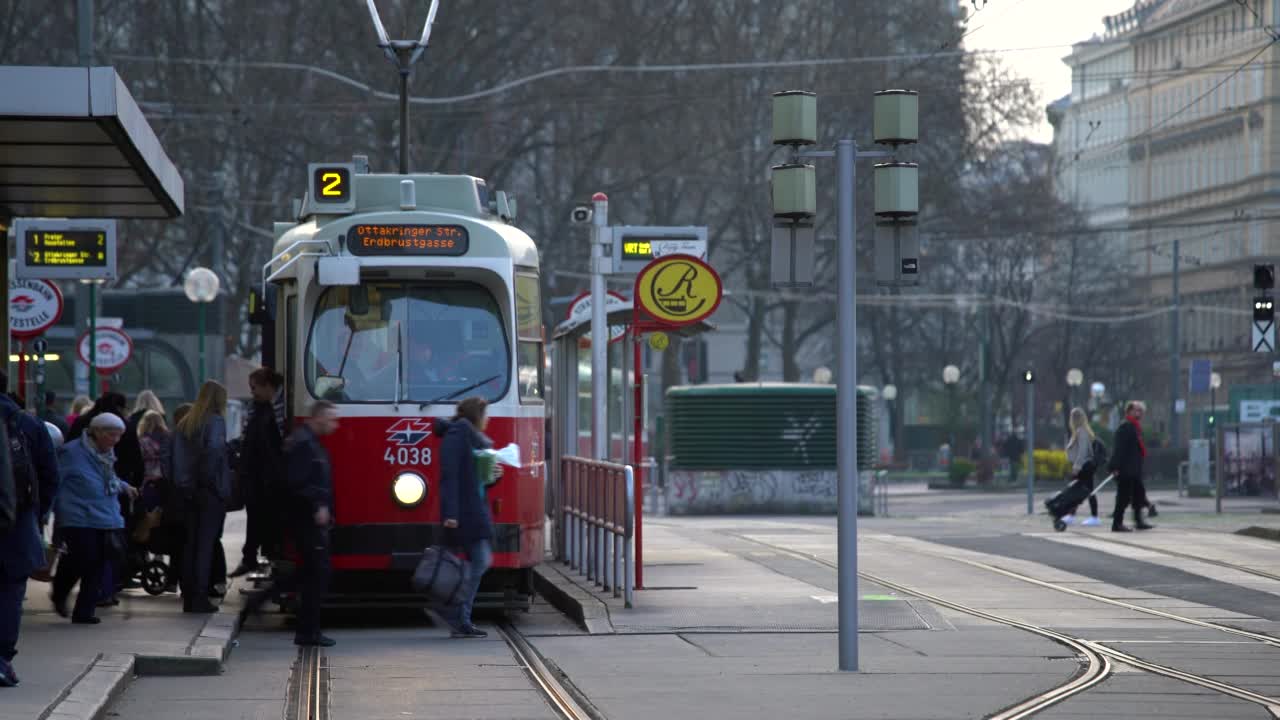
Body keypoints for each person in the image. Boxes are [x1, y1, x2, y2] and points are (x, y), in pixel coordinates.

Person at [0, 380, 60, 687]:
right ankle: (2, 660)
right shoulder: (29, 425)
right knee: (10, 592)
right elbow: (51, 476)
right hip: (17, 524)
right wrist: (35, 517)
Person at [51, 413, 136, 624]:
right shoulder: (71, 453)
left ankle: (84, 611)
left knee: (97, 562)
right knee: (83, 560)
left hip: (104, 515)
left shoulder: (106, 453)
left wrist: (124, 487)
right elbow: (54, 481)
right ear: (96, 432)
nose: (115, 440)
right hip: (77, 516)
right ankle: (60, 593)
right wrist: (47, 513)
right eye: (111, 435)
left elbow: (108, 477)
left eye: (118, 436)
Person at [435, 396, 496, 639]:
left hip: (473, 509)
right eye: (486, 415)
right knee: (480, 561)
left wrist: (493, 474)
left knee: (477, 562)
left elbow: (475, 477)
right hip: (465, 512)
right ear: (476, 416)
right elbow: (450, 477)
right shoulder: (457, 436)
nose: (488, 419)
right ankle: (455, 613)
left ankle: (459, 616)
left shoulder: (470, 437)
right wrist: (450, 514)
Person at [284, 400, 339, 647]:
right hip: (306, 521)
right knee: (315, 575)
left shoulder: (309, 442)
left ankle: (309, 630)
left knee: (311, 574)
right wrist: (318, 505)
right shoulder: (304, 444)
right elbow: (296, 483)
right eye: (331, 418)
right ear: (318, 417)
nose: (335, 425)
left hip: (309, 520)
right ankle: (308, 632)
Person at [172, 382, 231, 613]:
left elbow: (173, 459)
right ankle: (199, 596)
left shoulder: (185, 423)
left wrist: (184, 485)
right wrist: (211, 483)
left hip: (187, 492)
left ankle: (189, 594)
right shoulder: (215, 421)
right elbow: (214, 452)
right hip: (209, 492)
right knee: (205, 545)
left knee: (191, 545)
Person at [230, 368, 286, 578]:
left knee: (263, 517)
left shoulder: (269, 409)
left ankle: (256, 556)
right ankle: (252, 557)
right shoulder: (260, 408)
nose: (252, 392)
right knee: (255, 516)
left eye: (255, 388)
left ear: (267, 386)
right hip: (258, 473)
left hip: (268, 474)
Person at [1109, 401, 1154, 533]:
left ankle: (1139, 521)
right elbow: (1119, 449)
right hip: (1126, 470)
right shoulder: (1125, 427)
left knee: (1138, 495)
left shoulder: (1135, 427)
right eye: (1136, 410)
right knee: (1123, 497)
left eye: (1140, 411)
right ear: (1128, 412)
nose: (1139, 413)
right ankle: (1117, 524)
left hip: (1134, 469)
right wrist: (1115, 467)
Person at [1062, 408, 1101, 527]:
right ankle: (1072, 515)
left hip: (1084, 467)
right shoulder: (1080, 431)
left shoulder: (1082, 432)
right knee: (1080, 491)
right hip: (1083, 466)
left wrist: (1077, 467)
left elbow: (1082, 452)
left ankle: (1094, 517)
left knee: (1087, 491)